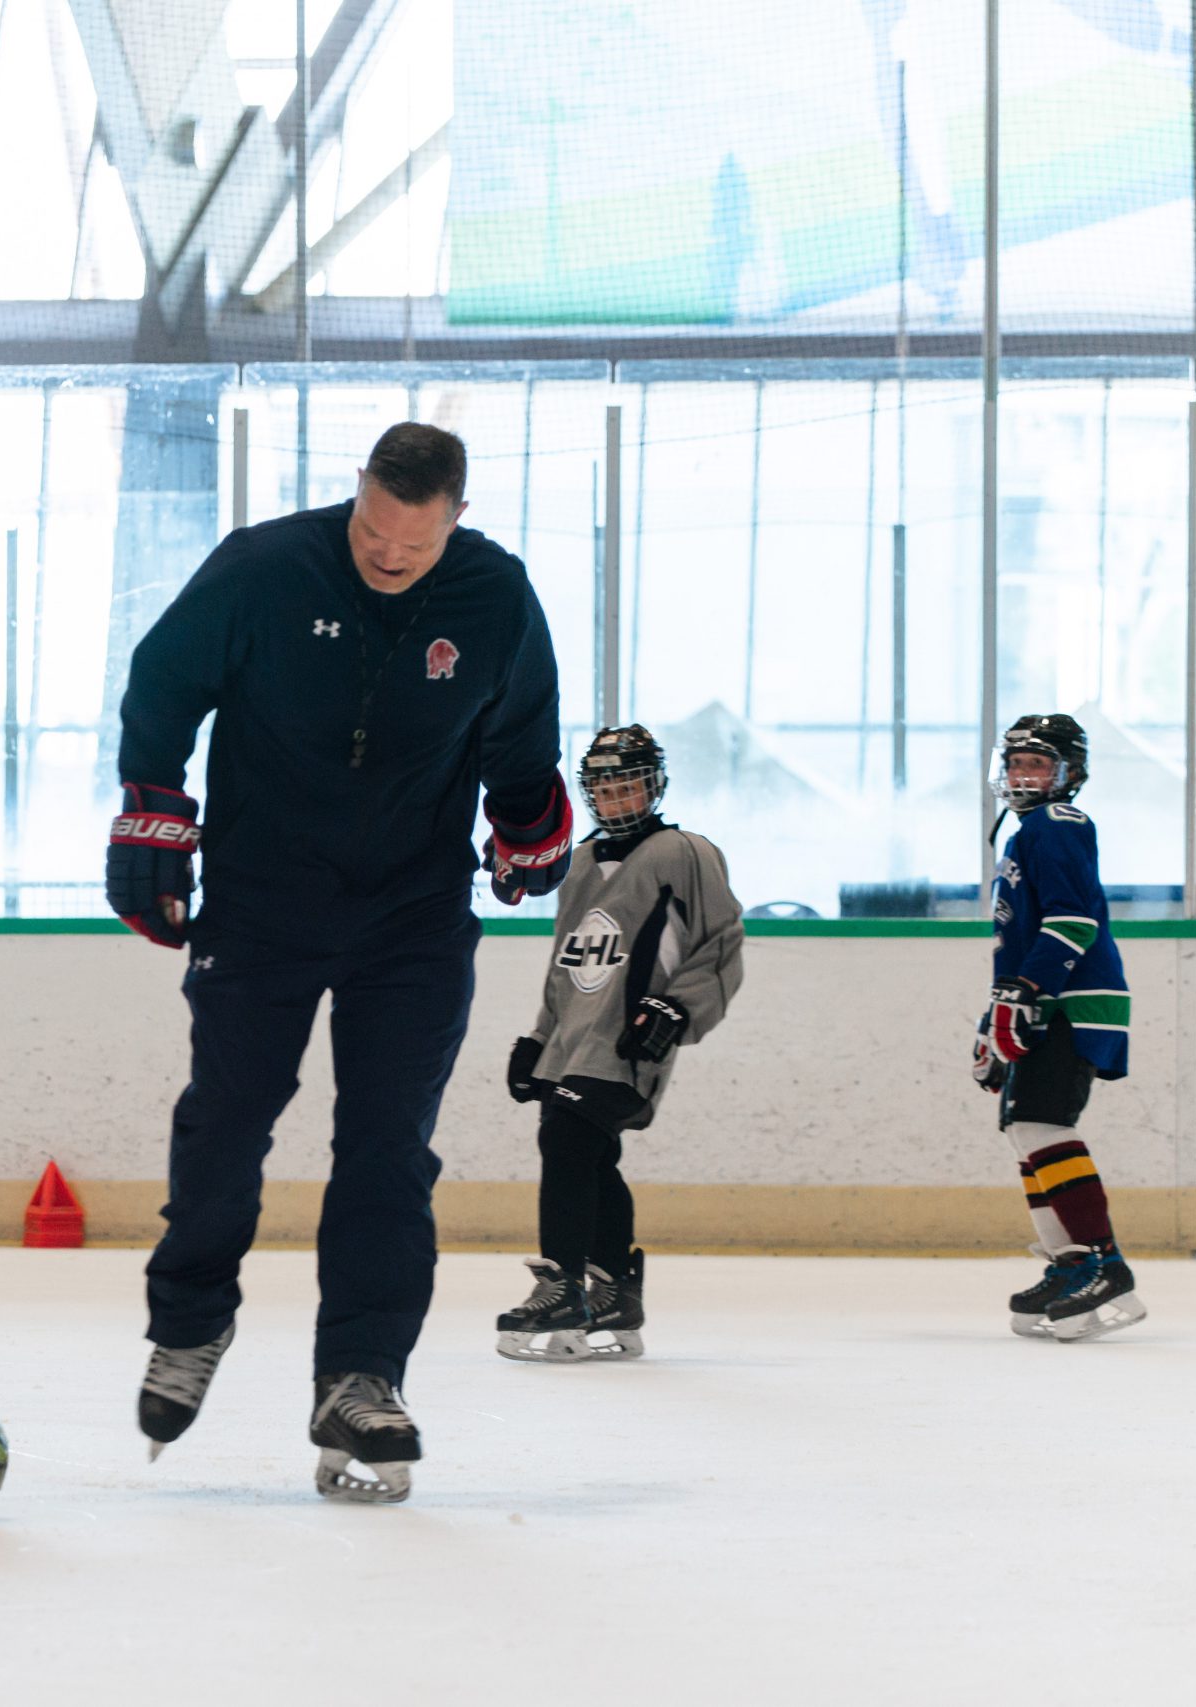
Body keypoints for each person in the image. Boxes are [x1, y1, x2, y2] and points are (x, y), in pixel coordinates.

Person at [109, 422, 568, 1503]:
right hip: (264, 900)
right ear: (356, 497)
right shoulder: (265, 566)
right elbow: (162, 687)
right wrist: (152, 819)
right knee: (227, 1117)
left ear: (454, 518)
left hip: (410, 913)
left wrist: (526, 832)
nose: (388, 556)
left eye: (413, 542)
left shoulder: (495, 596)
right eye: (371, 530)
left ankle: (361, 1375)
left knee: (387, 1149)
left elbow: (518, 741)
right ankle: (190, 1322)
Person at [498, 725, 744, 1362]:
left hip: (633, 1037)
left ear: (654, 785)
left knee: (567, 1138)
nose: (615, 798)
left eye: (628, 784)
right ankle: (614, 1289)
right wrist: (538, 1037)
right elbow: (567, 962)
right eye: (603, 787)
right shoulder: (579, 862)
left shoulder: (683, 852)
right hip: (574, 1040)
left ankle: (563, 1282)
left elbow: (721, 944)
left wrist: (676, 1008)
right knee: (589, 1152)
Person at [974, 713, 1145, 1341]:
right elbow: (1020, 939)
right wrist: (996, 1010)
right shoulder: (1024, 833)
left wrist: (1027, 993)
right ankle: (1069, 1261)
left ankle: (1104, 1262)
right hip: (1044, 998)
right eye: (1016, 763)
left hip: (1073, 999)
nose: (1022, 775)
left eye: (1037, 764)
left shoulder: (1058, 824)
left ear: (1069, 774)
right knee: (1025, 1130)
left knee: (1045, 1124)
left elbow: (1073, 922)